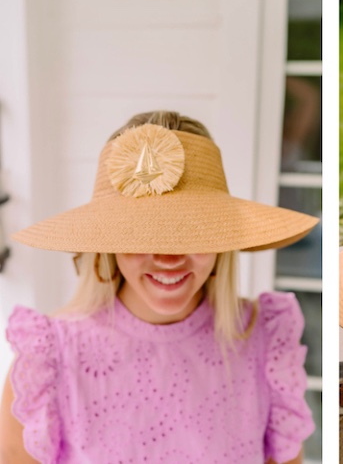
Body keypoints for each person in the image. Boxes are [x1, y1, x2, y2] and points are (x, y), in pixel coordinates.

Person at [0, 111, 319, 463]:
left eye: (191, 231)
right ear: (109, 242)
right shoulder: (48, 360)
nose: (169, 258)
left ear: (220, 239)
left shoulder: (264, 340)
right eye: (143, 233)